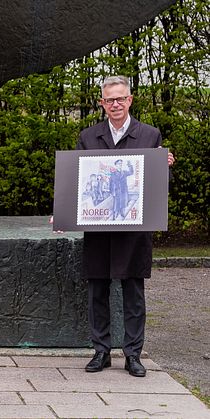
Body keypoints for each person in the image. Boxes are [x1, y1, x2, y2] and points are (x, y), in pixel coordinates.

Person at [77, 75, 175, 377]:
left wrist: (165, 167)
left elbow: (161, 187)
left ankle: (133, 355)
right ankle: (101, 352)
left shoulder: (149, 135)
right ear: (102, 104)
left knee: (133, 293)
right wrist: (65, 211)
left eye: (121, 98)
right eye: (110, 100)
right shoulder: (88, 136)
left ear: (130, 100)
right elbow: (79, 181)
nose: (115, 104)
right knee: (97, 292)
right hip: (99, 229)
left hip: (134, 229)